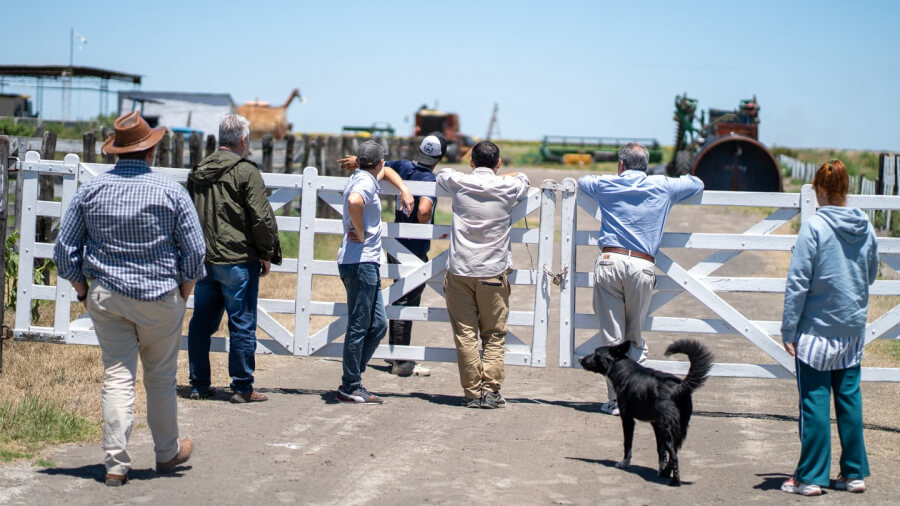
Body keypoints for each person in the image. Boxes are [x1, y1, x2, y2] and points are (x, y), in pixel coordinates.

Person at [54, 111, 206, 485]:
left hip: (108, 296)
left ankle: (115, 464)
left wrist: (82, 290)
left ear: (116, 152)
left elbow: (63, 250)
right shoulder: (171, 191)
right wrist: (184, 291)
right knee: (160, 377)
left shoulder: (91, 190)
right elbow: (195, 251)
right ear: (151, 151)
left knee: (117, 377)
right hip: (160, 296)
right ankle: (167, 453)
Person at [577, 142, 703, 416]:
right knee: (634, 338)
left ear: (621, 165)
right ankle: (637, 397)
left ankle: (615, 400)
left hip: (611, 260)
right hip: (642, 265)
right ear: (645, 166)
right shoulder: (663, 186)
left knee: (612, 337)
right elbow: (696, 183)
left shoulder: (607, 184)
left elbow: (582, 181)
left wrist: (613, 179)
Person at [780, 160, 878, 497]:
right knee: (849, 400)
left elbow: (798, 283)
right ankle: (853, 473)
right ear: (847, 188)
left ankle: (811, 476)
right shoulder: (864, 224)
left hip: (817, 330)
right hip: (851, 327)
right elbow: (871, 272)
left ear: (819, 190)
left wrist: (788, 329)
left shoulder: (814, 228)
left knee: (814, 402)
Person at [186, 114, 282, 404]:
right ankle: (242, 386)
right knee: (241, 323)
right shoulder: (246, 171)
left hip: (205, 259)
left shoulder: (198, 171)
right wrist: (267, 252)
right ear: (243, 140)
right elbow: (261, 217)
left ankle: (199, 384)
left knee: (201, 323)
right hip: (237, 259)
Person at [339, 133, 447, 377]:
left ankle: (397, 355)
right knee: (406, 302)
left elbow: (383, 167)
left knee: (399, 297)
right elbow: (423, 210)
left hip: (395, 246)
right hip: (415, 248)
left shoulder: (405, 166)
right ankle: (401, 359)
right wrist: (423, 221)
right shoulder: (429, 177)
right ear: (440, 157)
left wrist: (358, 160)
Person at [437, 141, 530, 408]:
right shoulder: (507, 185)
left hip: (460, 270)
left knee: (465, 334)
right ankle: (490, 391)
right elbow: (523, 178)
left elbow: (441, 174)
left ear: (471, 162)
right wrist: (504, 176)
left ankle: (472, 392)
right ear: (498, 164)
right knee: (493, 334)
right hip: (492, 271)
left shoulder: (459, 182)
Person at [336, 140, 414, 404]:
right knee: (359, 325)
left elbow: (387, 172)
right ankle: (350, 384)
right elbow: (355, 201)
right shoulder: (365, 183)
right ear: (379, 162)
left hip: (361, 262)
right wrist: (360, 231)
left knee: (378, 324)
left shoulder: (364, 175)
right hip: (361, 262)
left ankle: (353, 377)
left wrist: (403, 189)